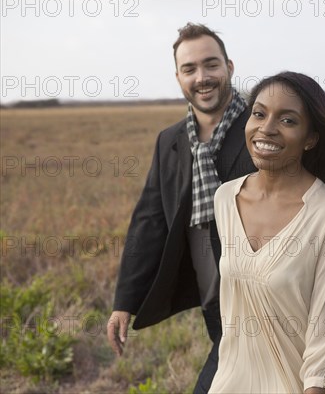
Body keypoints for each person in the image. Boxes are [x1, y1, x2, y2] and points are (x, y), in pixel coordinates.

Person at [209, 72, 325, 393]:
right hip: (232, 380)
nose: (266, 128)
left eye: (288, 120)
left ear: (310, 138)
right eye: (259, 113)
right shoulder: (225, 198)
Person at [106, 23, 256, 393]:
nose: (202, 77)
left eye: (211, 65)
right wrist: (124, 301)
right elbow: (149, 220)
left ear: (230, 67)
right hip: (214, 300)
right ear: (178, 77)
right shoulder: (170, 142)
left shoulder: (259, 126)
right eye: (190, 69)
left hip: (267, 296)